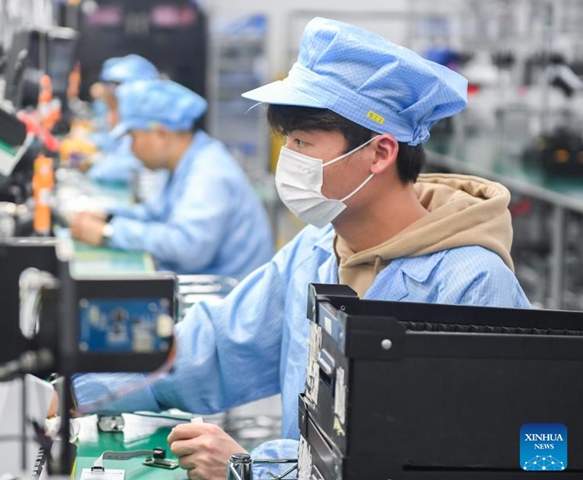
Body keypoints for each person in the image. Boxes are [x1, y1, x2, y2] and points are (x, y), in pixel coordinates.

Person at [73, 17, 531, 479]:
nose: (288, 160)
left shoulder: (471, 282)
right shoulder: (317, 250)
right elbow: (213, 348)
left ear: (380, 153)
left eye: (302, 142)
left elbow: (447, 458)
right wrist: (76, 389)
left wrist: (256, 468)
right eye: (287, 141)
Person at [70, 79, 274, 279]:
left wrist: (109, 233)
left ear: (161, 134)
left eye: (133, 137)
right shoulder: (184, 162)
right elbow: (157, 212)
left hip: (226, 296)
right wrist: (108, 215)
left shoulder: (208, 172)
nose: (131, 148)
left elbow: (189, 249)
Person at [87, 54, 161, 184]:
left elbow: (131, 167)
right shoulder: (124, 117)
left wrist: (95, 166)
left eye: (117, 86)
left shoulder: (150, 124)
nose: (112, 92)